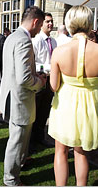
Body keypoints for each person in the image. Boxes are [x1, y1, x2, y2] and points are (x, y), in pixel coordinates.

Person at [47, 5, 98, 186]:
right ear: (89, 23)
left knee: (60, 150)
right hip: (91, 103)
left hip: (65, 102)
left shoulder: (59, 51)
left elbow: (53, 86)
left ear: (69, 23)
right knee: (81, 151)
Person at [0, 5, 48, 186]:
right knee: (17, 138)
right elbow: (24, 78)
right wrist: (40, 82)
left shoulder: (13, 36)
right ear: (36, 22)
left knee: (20, 137)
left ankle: (20, 161)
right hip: (19, 99)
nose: (40, 29)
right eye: (41, 24)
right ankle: (11, 179)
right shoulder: (24, 40)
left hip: (13, 95)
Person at [31, 12, 56, 151]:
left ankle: (40, 137)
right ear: (41, 24)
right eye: (47, 21)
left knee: (45, 111)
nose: (50, 24)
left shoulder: (53, 41)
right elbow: (33, 63)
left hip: (50, 81)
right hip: (39, 79)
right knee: (35, 112)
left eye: (51, 21)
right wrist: (49, 67)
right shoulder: (36, 40)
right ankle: (32, 141)